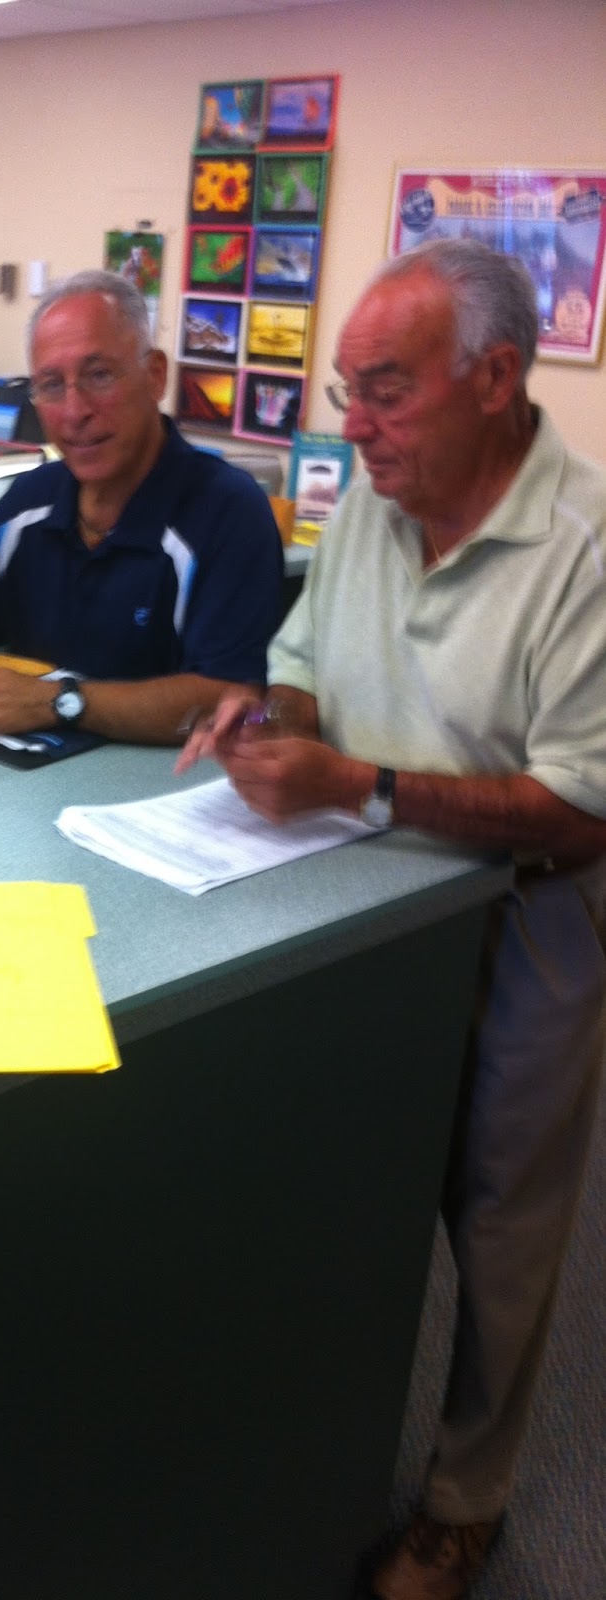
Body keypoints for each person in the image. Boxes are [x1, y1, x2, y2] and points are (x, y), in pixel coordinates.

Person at [177, 238, 606, 1600]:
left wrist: (350, 781)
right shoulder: (366, 501)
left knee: (497, 1222)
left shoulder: (582, 554)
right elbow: (303, 663)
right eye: (343, 391)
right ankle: (308, 1447)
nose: (348, 425)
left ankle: (464, 1504)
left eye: (381, 391)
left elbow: (579, 811)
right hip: (354, 897)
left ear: (490, 378)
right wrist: (271, 715)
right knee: (341, 1178)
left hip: (528, 917)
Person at [0, 269, 283, 743]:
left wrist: (62, 701)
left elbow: (231, 697)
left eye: (98, 375)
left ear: (155, 376)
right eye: (51, 385)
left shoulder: (228, 511)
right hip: (25, 777)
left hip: (154, 795)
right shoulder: (32, 498)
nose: (75, 410)